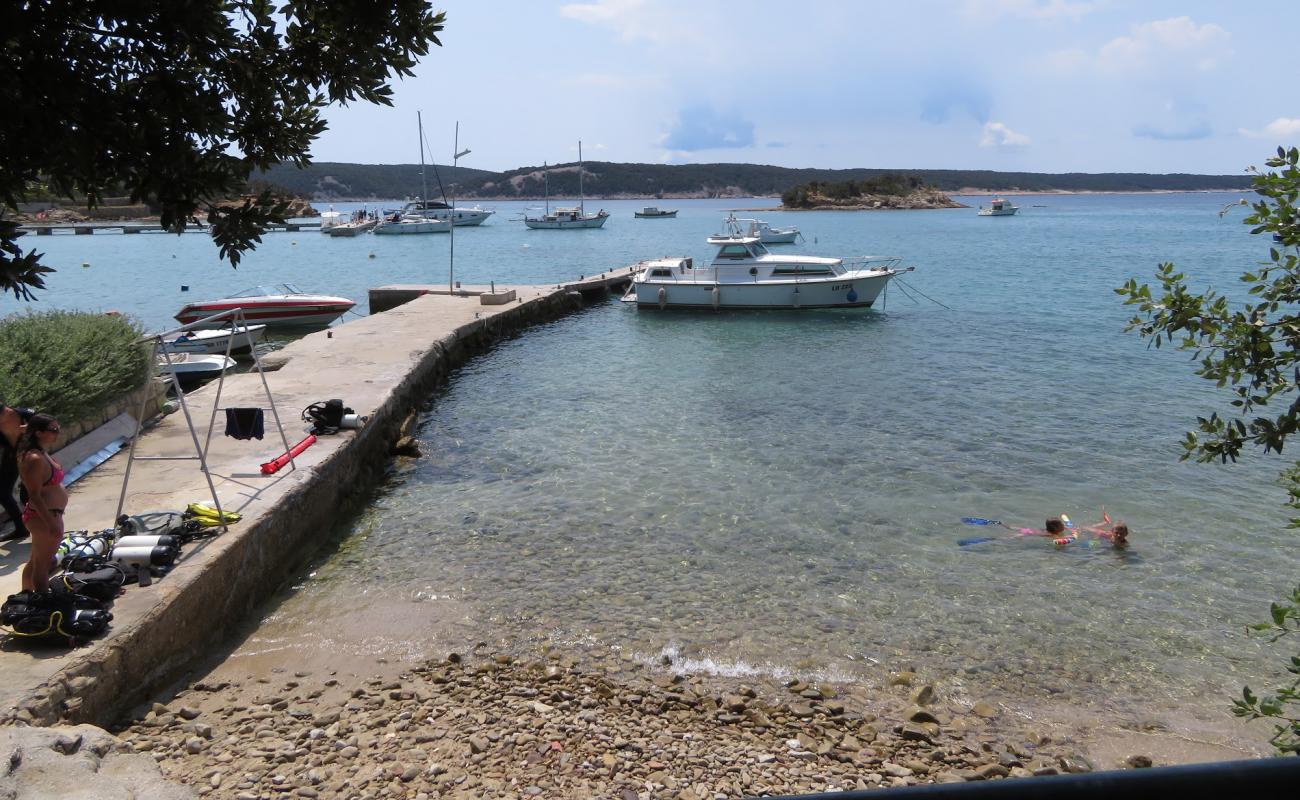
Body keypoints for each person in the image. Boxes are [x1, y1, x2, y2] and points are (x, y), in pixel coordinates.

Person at [17, 414, 67, 593]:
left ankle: (26, 595)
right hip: (43, 517)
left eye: (58, 428)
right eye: (53, 430)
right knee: (42, 566)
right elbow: (34, 495)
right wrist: (51, 523)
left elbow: (25, 429)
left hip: (50, 514)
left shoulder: (39, 450)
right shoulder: (34, 459)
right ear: (38, 433)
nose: (57, 433)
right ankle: (44, 602)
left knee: (36, 561)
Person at [0, 401, 34, 542]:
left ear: (7, 412)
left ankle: (44, 527)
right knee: (2, 492)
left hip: (32, 456)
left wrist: (30, 428)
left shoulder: (26, 414)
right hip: (12, 456)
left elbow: (50, 426)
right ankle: (21, 528)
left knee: (27, 495)